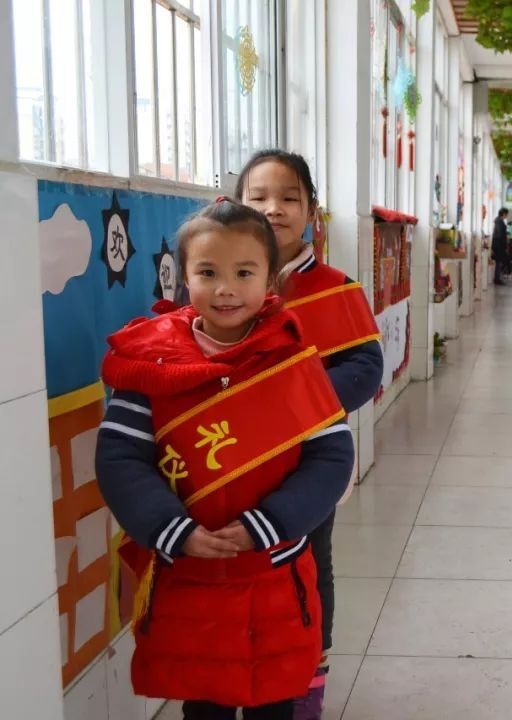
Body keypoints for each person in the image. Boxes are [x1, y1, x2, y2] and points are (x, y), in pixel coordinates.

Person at [95, 199, 355, 720]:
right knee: (202, 705)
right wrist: (173, 530)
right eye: (208, 273)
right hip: (192, 575)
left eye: (244, 272)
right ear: (184, 278)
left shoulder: (291, 358)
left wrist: (270, 523)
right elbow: (121, 458)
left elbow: (330, 456)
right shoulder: (149, 363)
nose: (226, 289)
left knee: (275, 704)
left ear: (270, 280)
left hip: (274, 573)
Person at [235, 149, 384, 720]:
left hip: (309, 465)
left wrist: (287, 405)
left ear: (312, 211)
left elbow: (364, 368)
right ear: (237, 203)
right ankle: (233, 671)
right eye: (259, 197)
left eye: (289, 198)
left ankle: (307, 682)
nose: (273, 209)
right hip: (227, 464)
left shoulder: (335, 288)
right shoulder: (218, 281)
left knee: (308, 564)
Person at [491, 207, 510, 285]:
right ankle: (497, 279)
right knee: (499, 262)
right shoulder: (499, 222)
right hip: (499, 246)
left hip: (497, 245)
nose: (507, 216)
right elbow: (500, 235)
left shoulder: (498, 221)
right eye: (506, 214)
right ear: (504, 214)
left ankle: (498, 278)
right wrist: (504, 245)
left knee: (499, 262)